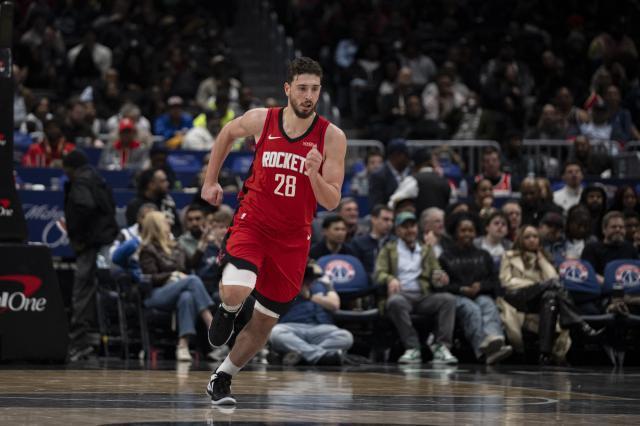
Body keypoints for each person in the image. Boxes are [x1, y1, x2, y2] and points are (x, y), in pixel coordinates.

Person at [200, 57, 347, 405]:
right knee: (237, 290)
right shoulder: (262, 119)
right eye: (302, 88)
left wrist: (314, 175)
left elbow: (331, 202)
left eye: (314, 89)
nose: (308, 96)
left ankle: (222, 377)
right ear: (288, 89)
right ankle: (228, 310)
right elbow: (226, 133)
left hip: (293, 239)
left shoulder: (332, 137)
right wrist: (210, 181)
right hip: (253, 222)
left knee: (264, 323)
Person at [499, 225, 601, 365]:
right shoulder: (509, 256)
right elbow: (506, 281)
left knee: (551, 298)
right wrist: (534, 285)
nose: (532, 240)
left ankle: (544, 354)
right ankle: (580, 324)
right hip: (516, 297)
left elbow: (553, 279)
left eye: (535, 236)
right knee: (551, 288)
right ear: (520, 239)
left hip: (537, 301)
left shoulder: (544, 257)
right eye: (527, 237)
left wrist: (541, 259)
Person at [374, 212, 458, 365]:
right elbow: (378, 273)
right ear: (397, 230)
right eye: (405, 227)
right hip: (401, 295)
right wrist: (390, 279)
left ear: (417, 228)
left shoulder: (426, 250)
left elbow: (436, 273)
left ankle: (442, 347)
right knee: (395, 302)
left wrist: (441, 278)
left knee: (448, 300)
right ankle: (412, 347)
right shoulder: (389, 249)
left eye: (412, 226)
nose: (409, 230)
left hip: (423, 296)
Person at [62, 150, 119, 361]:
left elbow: (85, 207)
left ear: (71, 168)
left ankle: (78, 343)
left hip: (90, 246)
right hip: (104, 243)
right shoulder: (98, 180)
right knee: (93, 291)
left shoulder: (81, 183)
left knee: (82, 292)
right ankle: (88, 341)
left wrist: (80, 237)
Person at [139, 212, 214, 362]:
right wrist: (173, 275)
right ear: (156, 226)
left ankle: (183, 346)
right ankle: (211, 323)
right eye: (165, 222)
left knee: (186, 297)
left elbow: (191, 264)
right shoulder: (148, 249)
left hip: (179, 289)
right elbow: (151, 278)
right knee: (192, 280)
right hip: (157, 293)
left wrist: (202, 244)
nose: (169, 224)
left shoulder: (176, 245)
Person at [438, 213, 512, 365]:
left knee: (488, 305)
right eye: (463, 230)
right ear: (455, 233)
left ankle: (495, 342)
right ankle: (482, 351)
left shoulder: (484, 255)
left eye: (470, 230)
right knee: (471, 309)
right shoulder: (445, 257)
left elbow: (494, 281)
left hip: (480, 294)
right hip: (456, 296)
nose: (467, 234)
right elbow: (439, 285)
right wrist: (461, 289)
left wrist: (481, 286)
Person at [269, 259, 353, 366]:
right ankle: (323, 356)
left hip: (321, 328)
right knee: (275, 333)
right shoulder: (285, 282)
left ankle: (302, 356)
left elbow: (335, 305)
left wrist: (309, 296)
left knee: (345, 336)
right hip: (291, 327)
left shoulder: (323, 284)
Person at [581, 211, 639, 281]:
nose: (618, 230)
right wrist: (608, 283)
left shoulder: (630, 248)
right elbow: (588, 272)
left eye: (621, 227)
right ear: (604, 229)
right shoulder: (591, 249)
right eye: (614, 227)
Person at [126, 168, 181, 236]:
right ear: (151, 184)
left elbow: (177, 228)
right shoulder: (135, 205)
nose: (167, 183)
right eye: (162, 181)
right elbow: (134, 231)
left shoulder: (168, 201)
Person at [350, 205, 395, 276]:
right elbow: (354, 268)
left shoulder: (395, 242)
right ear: (374, 219)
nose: (389, 223)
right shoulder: (359, 242)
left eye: (391, 220)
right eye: (385, 219)